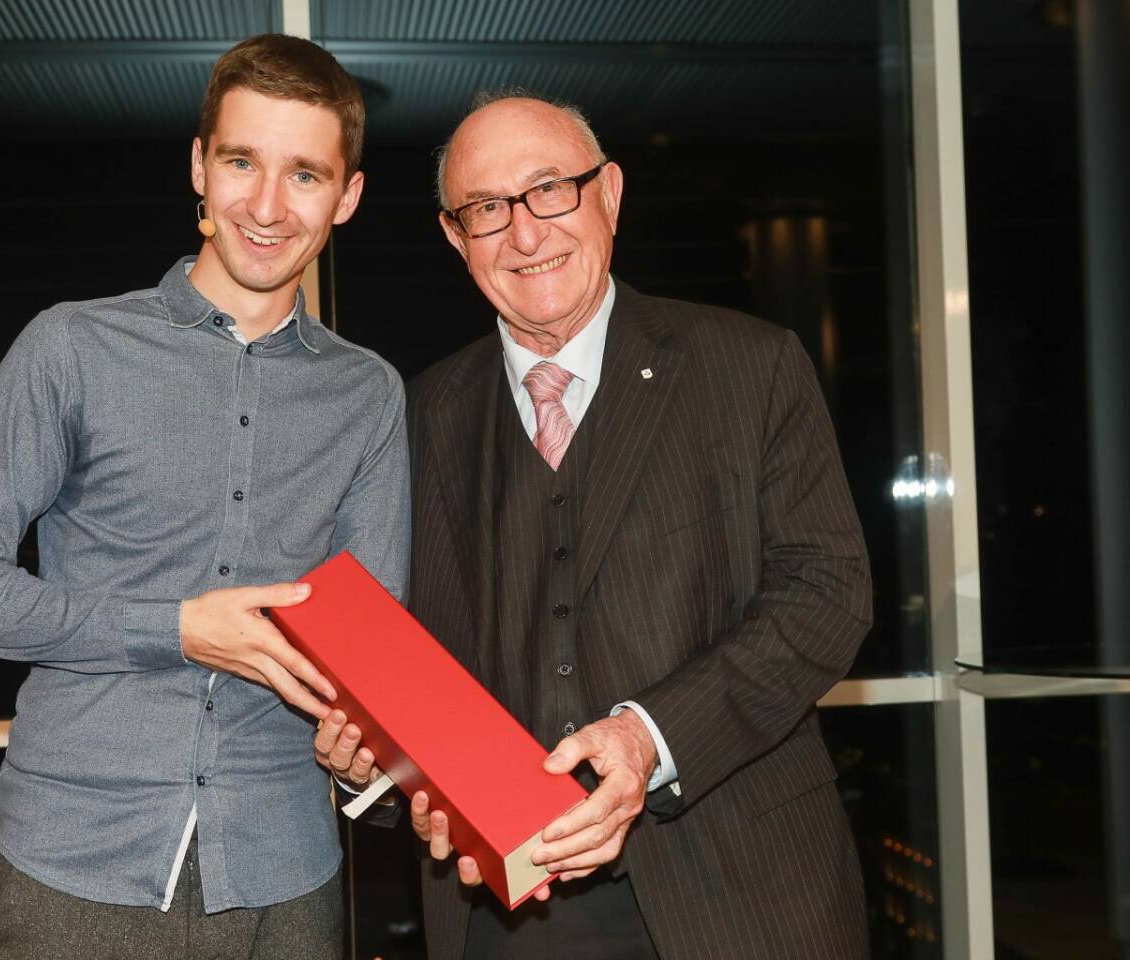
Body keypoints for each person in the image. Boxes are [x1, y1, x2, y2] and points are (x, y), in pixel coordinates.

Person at [0, 34, 409, 960]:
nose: (265, 204)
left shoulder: (369, 393)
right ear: (198, 169)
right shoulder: (71, 347)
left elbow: (372, 645)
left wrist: (364, 734)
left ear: (348, 196)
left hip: (284, 872)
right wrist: (173, 627)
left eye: (305, 175)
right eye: (242, 161)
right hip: (74, 865)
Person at [328, 91, 872, 959]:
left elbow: (828, 595)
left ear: (609, 195)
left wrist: (646, 738)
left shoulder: (751, 366)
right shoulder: (416, 414)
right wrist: (378, 759)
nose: (526, 233)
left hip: (742, 888)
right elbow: (407, 652)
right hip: (500, 907)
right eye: (487, 209)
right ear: (454, 237)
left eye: (550, 190)